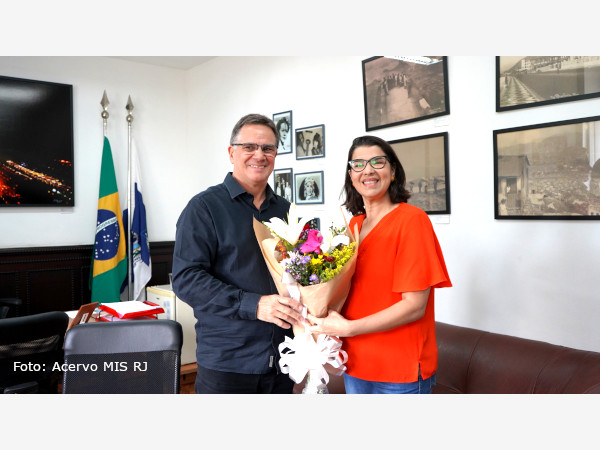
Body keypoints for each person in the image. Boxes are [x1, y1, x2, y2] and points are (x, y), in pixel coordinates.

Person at [306, 135, 452, 394]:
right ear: (351, 176)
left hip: (399, 368)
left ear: (393, 170)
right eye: (358, 164)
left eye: (377, 162)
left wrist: (349, 328)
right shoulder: (353, 226)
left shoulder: (411, 220)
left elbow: (414, 306)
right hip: (355, 362)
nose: (368, 170)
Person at [171, 113, 305, 394]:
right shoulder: (203, 208)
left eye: (268, 148)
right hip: (228, 363)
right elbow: (186, 279)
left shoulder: (287, 210)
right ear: (232, 153)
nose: (259, 155)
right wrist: (254, 305)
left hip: (284, 360)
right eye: (249, 147)